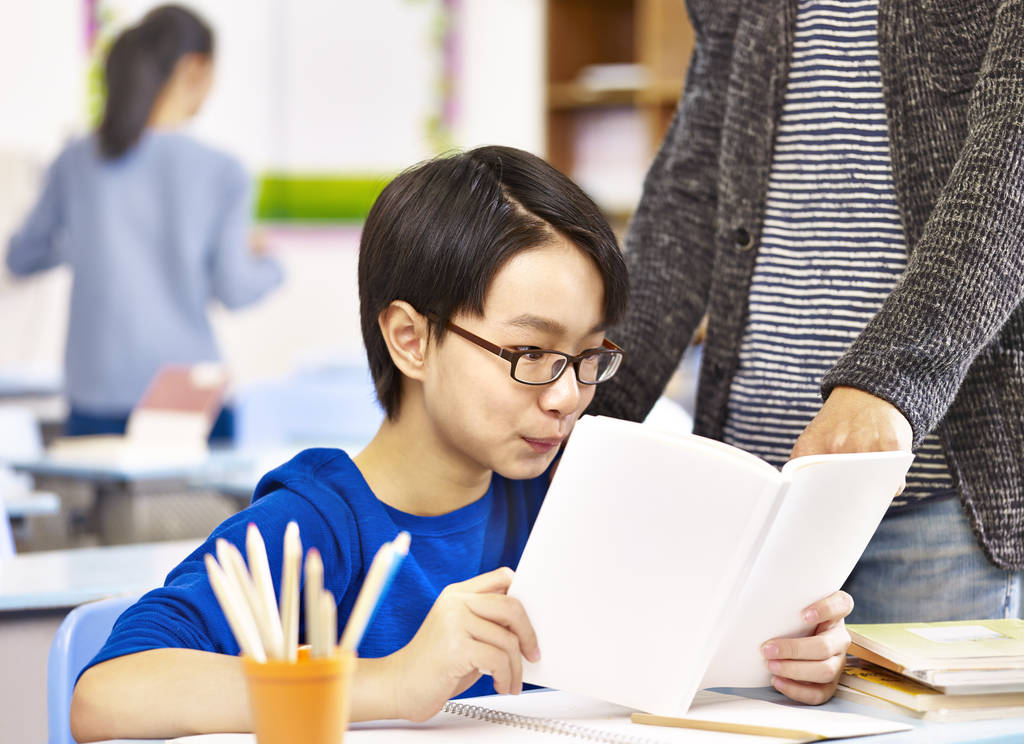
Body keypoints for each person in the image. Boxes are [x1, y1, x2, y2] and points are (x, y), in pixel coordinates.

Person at [70, 146, 853, 740]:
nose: (566, 395)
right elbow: (106, 695)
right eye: (529, 355)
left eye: (588, 357)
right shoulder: (317, 526)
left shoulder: (570, 502)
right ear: (411, 340)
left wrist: (779, 659)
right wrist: (391, 682)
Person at [590, 0, 1024, 636]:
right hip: (748, 499)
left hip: (934, 509)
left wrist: (892, 385)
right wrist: (591, 401)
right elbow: (692, 185)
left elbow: (1011, 163)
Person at [5, 5, 283, 440]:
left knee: (102, 511)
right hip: (189, 394)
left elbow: (21, 257)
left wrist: (86, 239)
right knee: (199, 512)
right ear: (196, 67)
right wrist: (270, 264)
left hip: (94, 392)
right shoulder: (222, 171)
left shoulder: (76, 160)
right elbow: (233, 288)